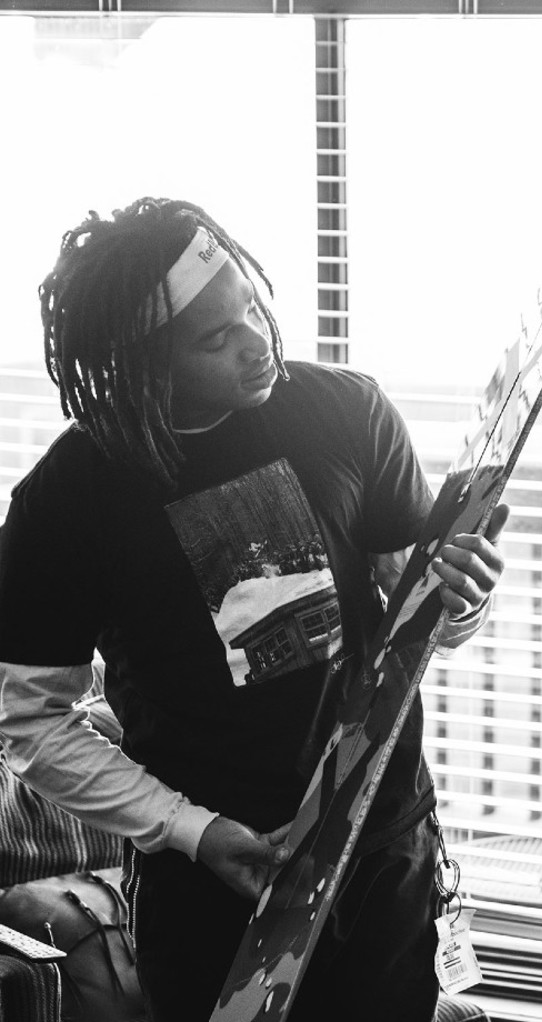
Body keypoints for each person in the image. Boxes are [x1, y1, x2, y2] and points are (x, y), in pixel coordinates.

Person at [0, 197, 508, 1022]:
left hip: (382, 841)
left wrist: (464, 599)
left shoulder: (345, 409)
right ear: (144, 367)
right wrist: (190, 830)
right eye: (216, 337)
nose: (259, 340)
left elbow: (421, 620)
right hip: (211, 879)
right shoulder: (68, 501)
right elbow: (32, 725)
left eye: (254, 305)